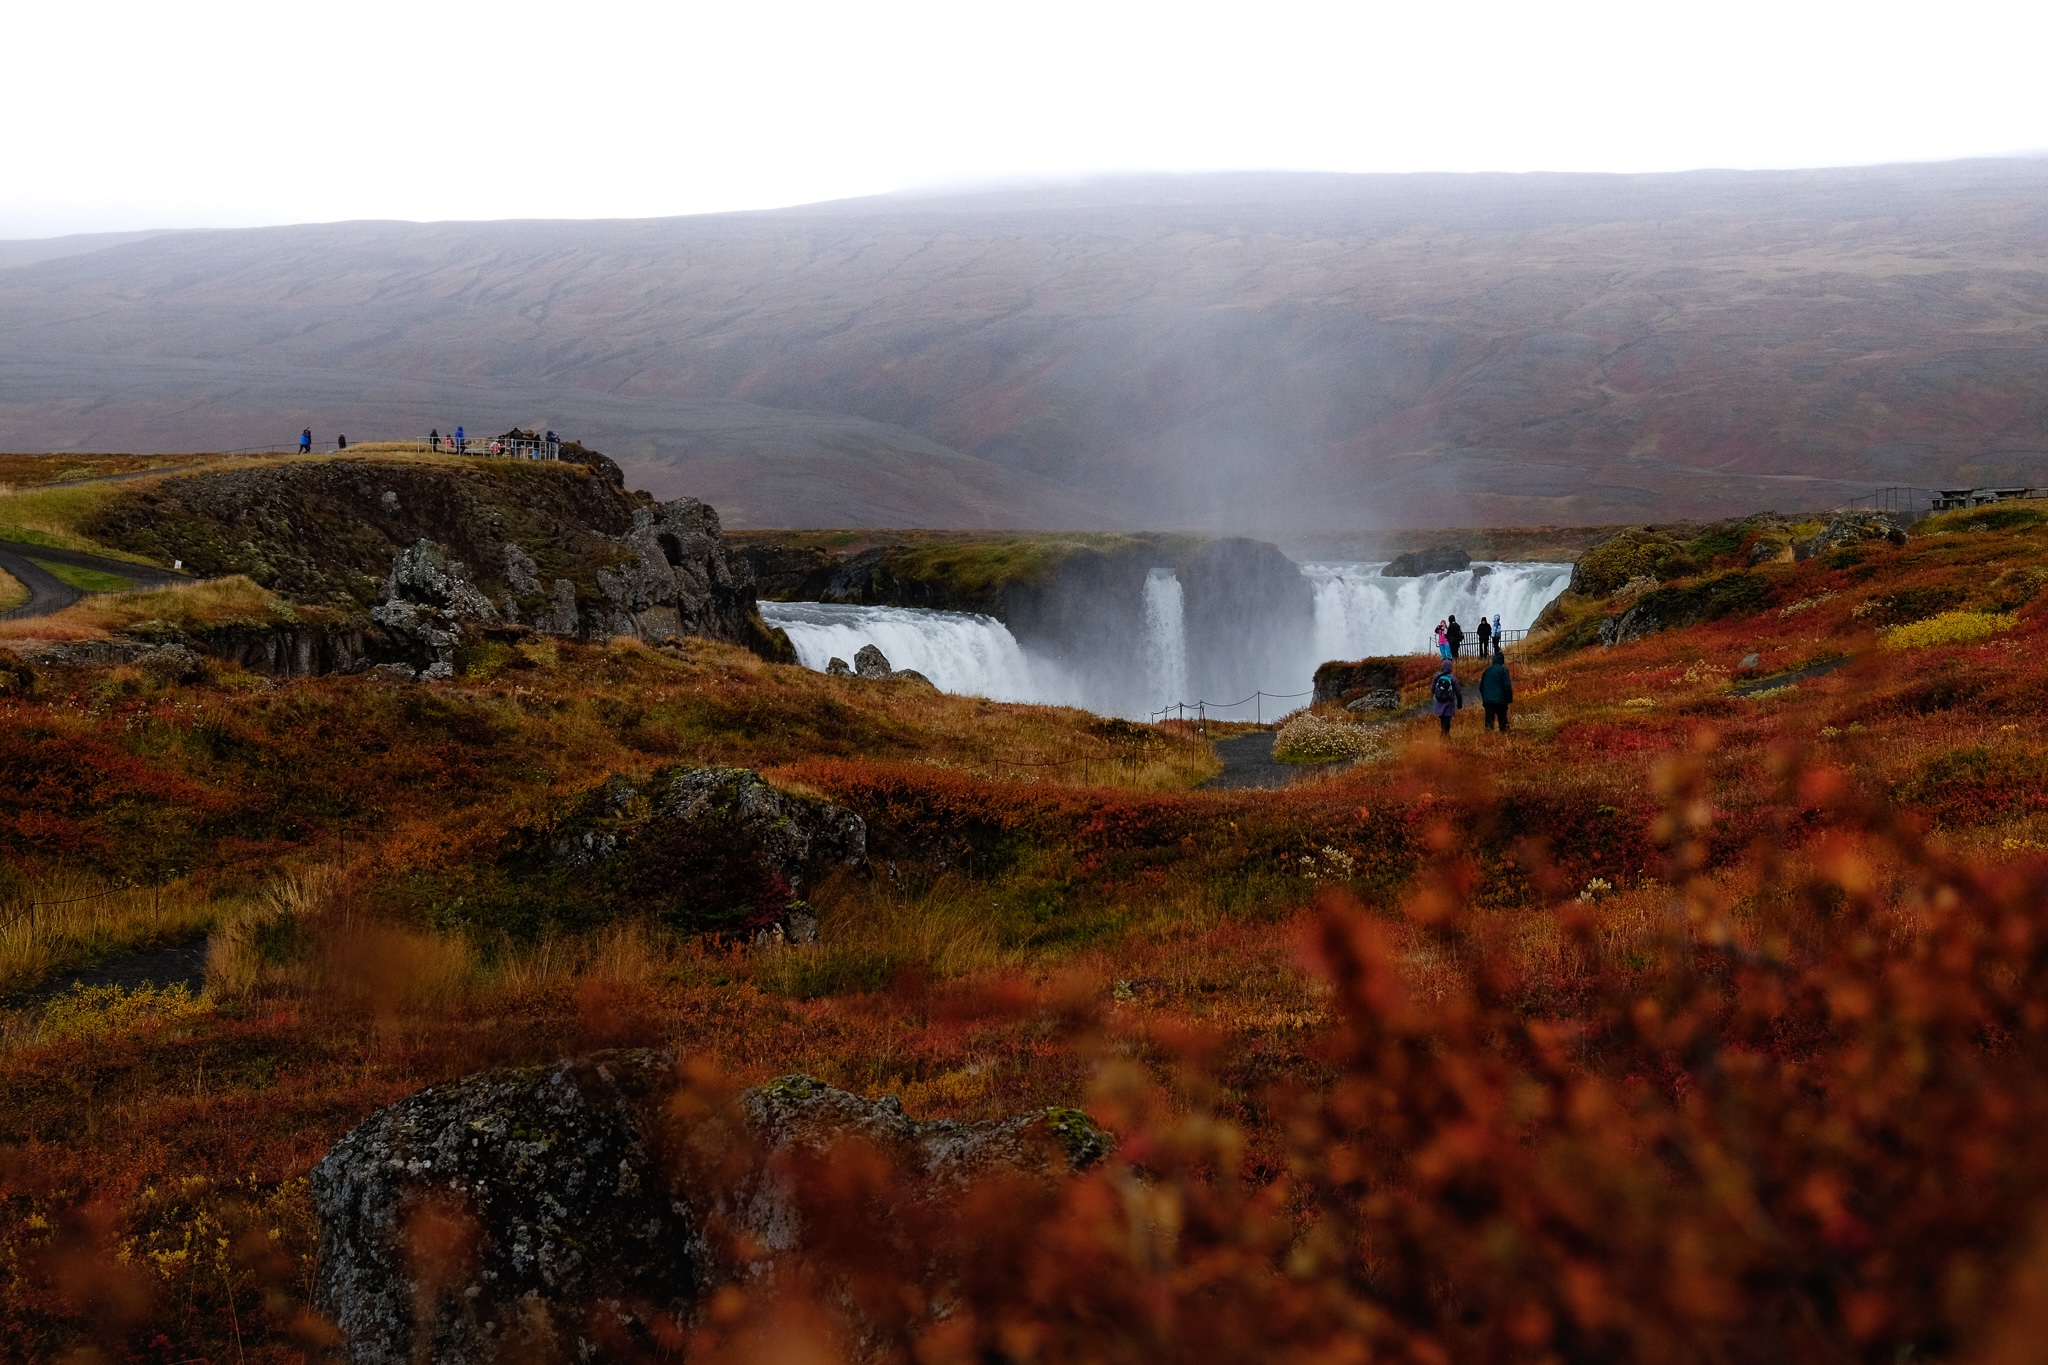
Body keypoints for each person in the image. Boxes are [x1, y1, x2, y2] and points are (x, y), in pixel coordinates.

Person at [1480, 648, 1514, 733]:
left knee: (1489, 723)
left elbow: (1481, 686)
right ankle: (1504, 739)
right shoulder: (1503, 670)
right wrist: (1509, 699)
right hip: (1500, 701)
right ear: (1502, 660)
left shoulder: (1487, 670)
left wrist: (1485, 698)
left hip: (1488, 701)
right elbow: (1507, 686)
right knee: (1503, 722)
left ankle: (1488, 741)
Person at [1430, 659, 1464, 737]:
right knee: (1447, 719)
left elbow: (1432, 689)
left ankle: (1443, 733)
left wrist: (1437, 695)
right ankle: (1445, 735)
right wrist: (1459, 704)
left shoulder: (1437, 676)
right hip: (1449, 702)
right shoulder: (1453, 678)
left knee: (1442, 718)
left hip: (1439, 702)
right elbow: (1458, 692)